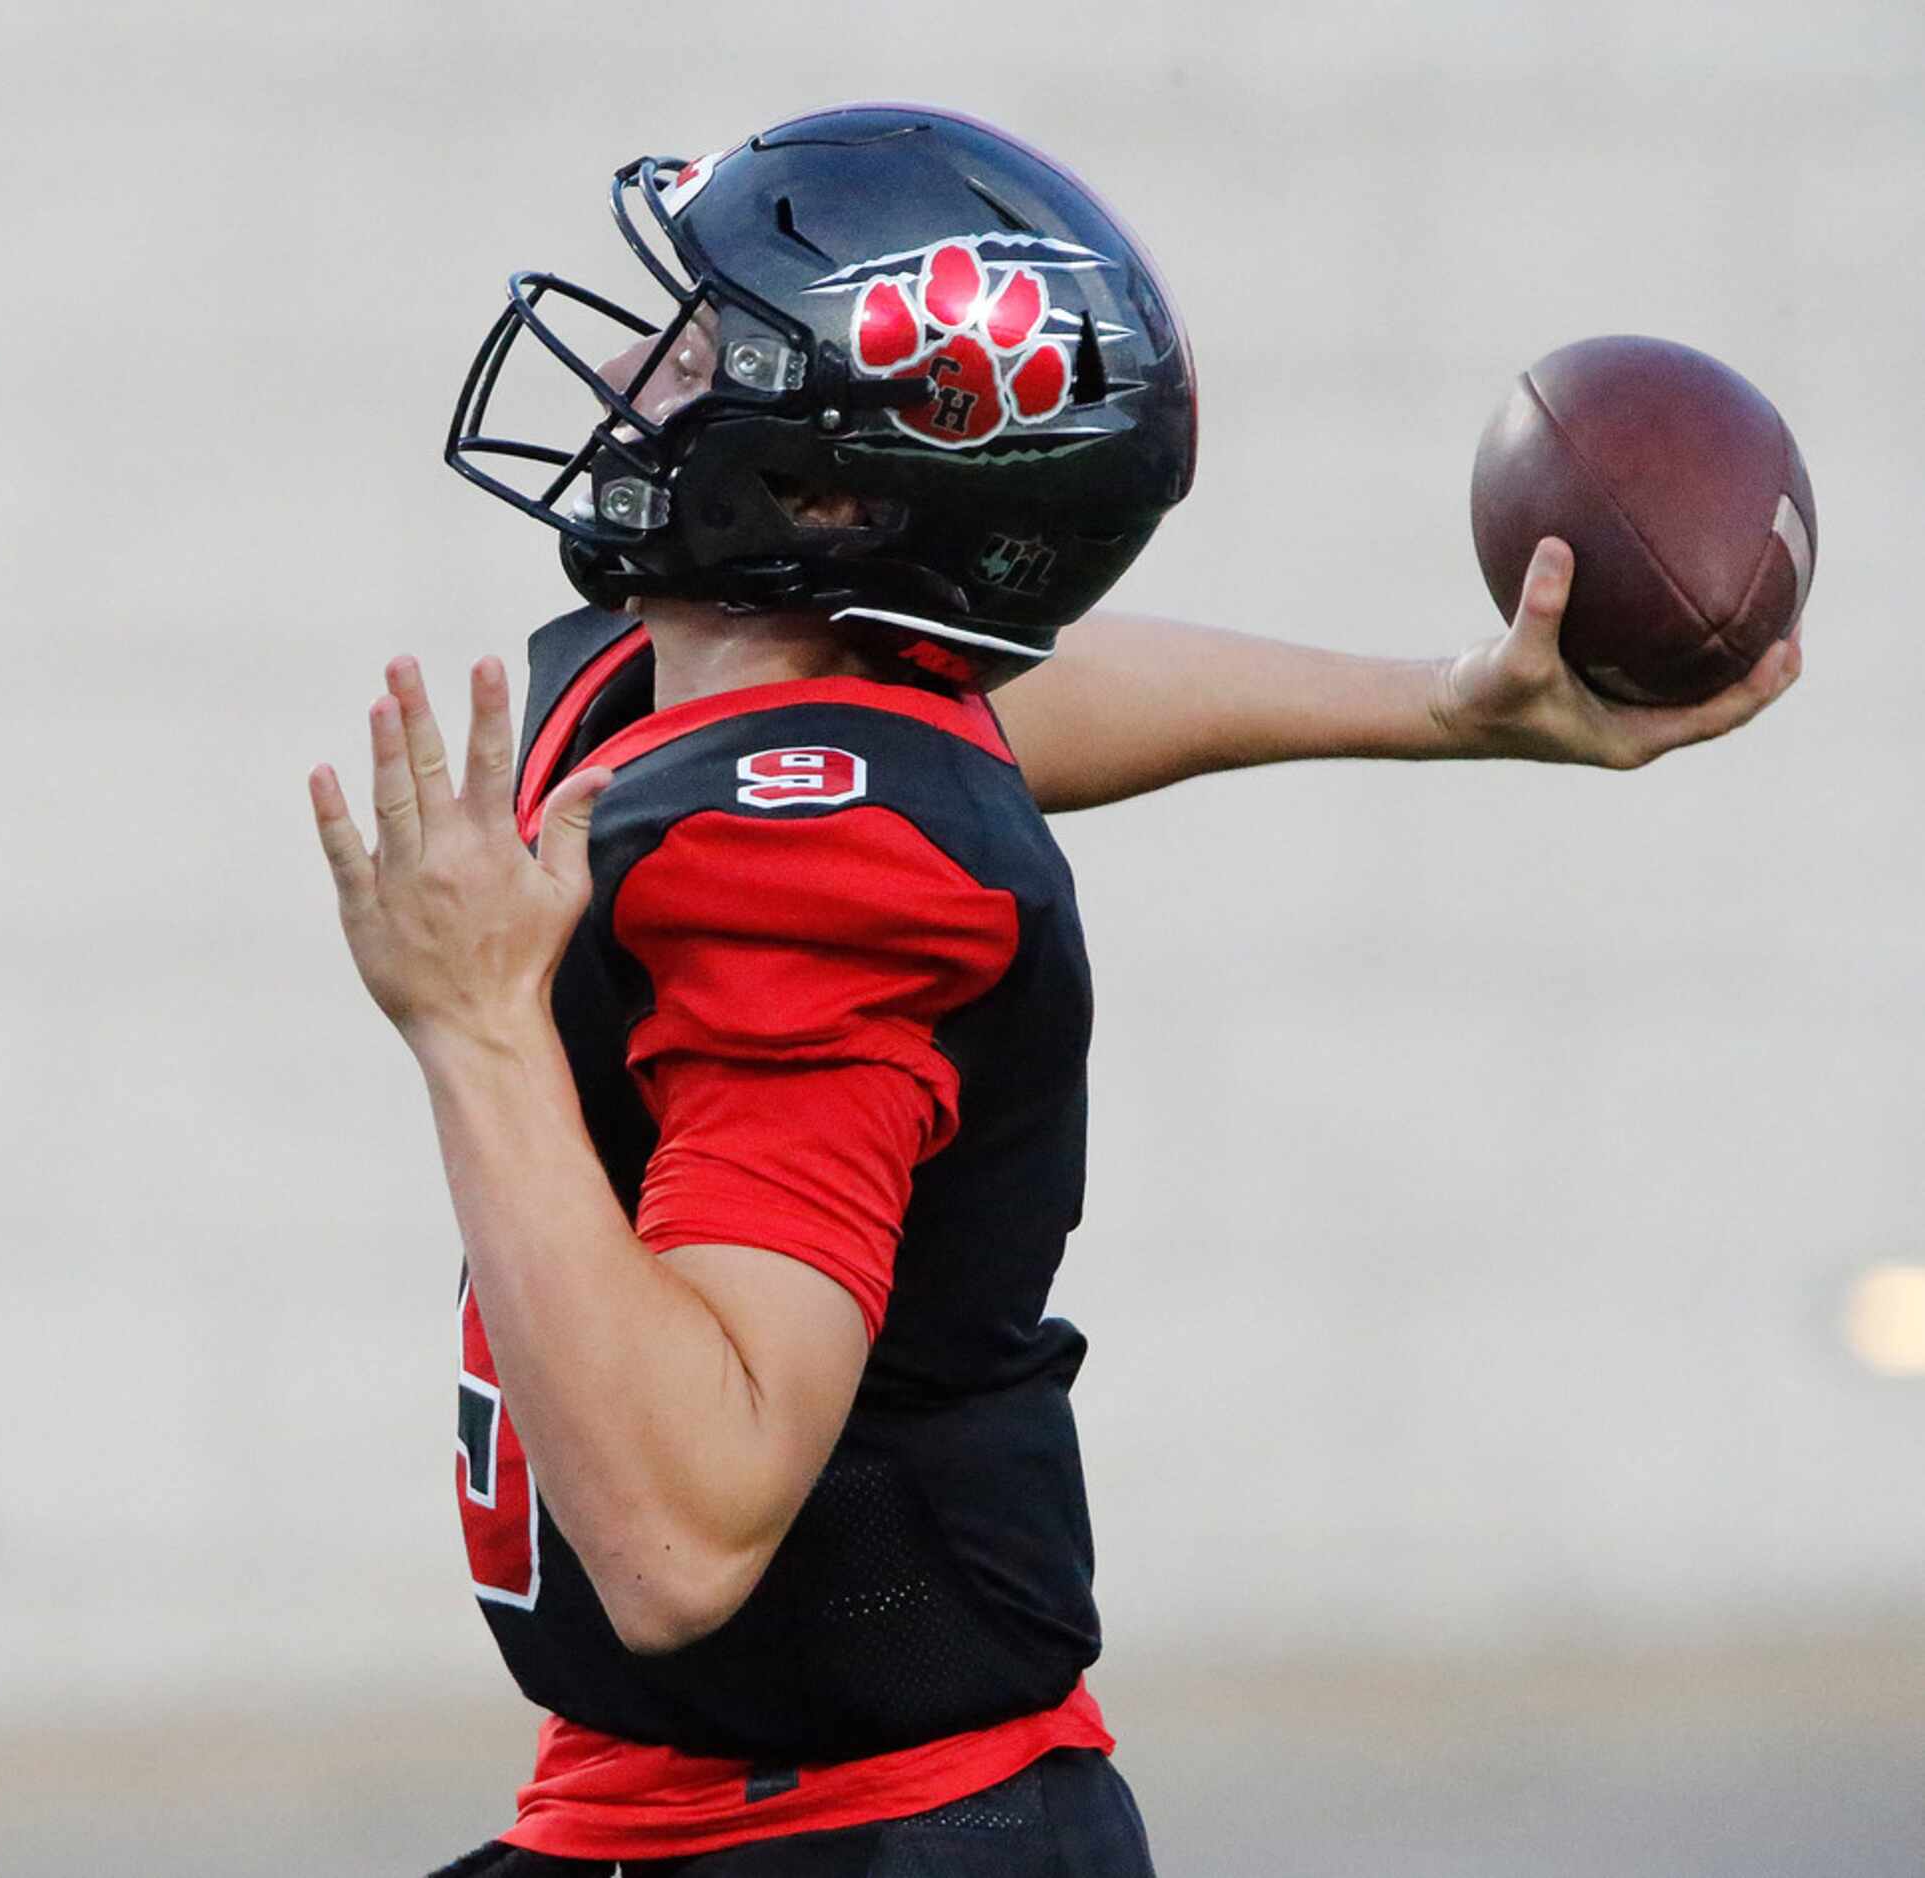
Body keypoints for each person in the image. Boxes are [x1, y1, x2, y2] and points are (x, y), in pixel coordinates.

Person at [309, 106, 1799, 1877]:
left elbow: (682, 1532)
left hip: (844, 1836)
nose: (632, 363)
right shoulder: (720, 704)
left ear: (833, 487)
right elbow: (999, 696)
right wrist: (1435, 702)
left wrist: (474, 1029)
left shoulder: (813, 864)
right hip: (725, 1811)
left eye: (703, 342)